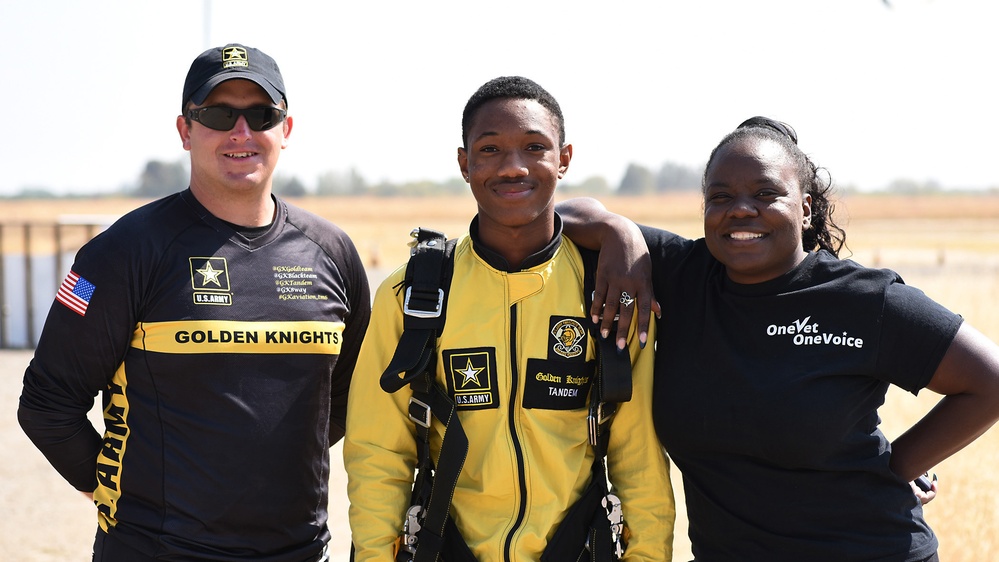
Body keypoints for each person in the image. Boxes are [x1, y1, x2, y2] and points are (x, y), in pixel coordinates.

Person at [556, 116, 999, 561]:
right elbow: (557, 214)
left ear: (805, 208)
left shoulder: (863, 300)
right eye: (721, 196)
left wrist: (897, 467)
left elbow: (990, 381)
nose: (741, 208)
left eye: (766, 193)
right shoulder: (683, 273)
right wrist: (619, 231)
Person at [17, 43, 371, 562]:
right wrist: (118, 494)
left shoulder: (331, 253)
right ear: (185, 131)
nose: (241, 132)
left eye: (261, 114)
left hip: (298, 551)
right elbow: (47, 407)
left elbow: (347, 404)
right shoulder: (124, 251)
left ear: (286, 130)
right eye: (219, 114)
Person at [343, 76, 674, 561]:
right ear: (465, 163)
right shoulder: (413, 296)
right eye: (491, 148)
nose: (513, 167)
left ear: (564, 159)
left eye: (535, 147)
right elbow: (377, 453)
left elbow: (639, 453)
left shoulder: (607, 290)